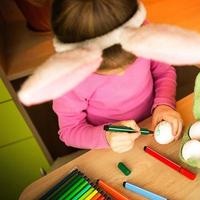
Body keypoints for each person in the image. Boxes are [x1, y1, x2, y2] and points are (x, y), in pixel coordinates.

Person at [51, 0, 183, 153]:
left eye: (131, 61)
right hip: (113, 146)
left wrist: (164, 104)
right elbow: (69, 131)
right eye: (106, 71)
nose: (122, 74)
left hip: (152, 122)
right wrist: (106, 137)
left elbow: (163, 71)